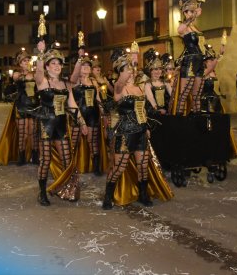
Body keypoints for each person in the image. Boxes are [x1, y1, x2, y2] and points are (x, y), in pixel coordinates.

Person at [102, 49, 173, 210]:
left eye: (132, 68)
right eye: (128, 69)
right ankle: (108, 195)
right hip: (125, 132)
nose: (132, 71)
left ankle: (143, 194)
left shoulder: (140, 88)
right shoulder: (119, 88)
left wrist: (146, 127)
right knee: (119, 167)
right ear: (120, 72)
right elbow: (120, 83)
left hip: (140, 131)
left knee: (143, 165)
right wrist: (123, 65)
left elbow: (142, 110)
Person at [35, 41, 87, 206]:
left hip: (61, 125)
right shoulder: (42, 81)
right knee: (45, 159)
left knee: (67, 158)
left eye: (59, 63)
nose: (57, 66)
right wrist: (41, 54)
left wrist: (82, 122)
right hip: (45, 124)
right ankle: (42, 193)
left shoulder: (65, 84)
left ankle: (67, 188)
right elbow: (37, 71)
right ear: (48, 66)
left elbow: (72, 105)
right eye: (53, 63)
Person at [0, 50, 40, 167]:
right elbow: (16, 79)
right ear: (20, 63)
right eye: (24, 61)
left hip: (34, 105)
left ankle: (35, 156)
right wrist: (25, 72)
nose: (27, 62)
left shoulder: (34, 74)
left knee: (33, 132)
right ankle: (21, 156)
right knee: (23, 133)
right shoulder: (17, 74)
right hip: (21, 105)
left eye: (28, 60)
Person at [169, 0, 206, 115]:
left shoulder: (195, 27)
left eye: (193, 10)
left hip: (199, 59)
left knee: (197, 94)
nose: (191, 13)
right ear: (184, 12)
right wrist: (193, 16)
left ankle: (197, 119)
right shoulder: (183, 26)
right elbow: (179, 30)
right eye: (189, 11)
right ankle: (179, 120)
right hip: (190, 60)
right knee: (184, 94)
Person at [69, 49, 105, 176]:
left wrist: (103, 113)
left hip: (93, 114)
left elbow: (98, 99)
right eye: (83, 65)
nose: (86, 67)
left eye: (88, 65)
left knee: (93, 140)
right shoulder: (74, 81)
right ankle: (70, 166)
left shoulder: (94, 81)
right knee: (74, 141)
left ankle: (95, 166)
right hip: (78, 114)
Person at [144, 51, 171, 116]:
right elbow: (151, 99)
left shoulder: (165, 82)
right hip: (154, 113)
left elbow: (172, 95)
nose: (159, 71)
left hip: (167, 110)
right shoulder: (148, 84)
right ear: (150, 71)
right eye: (156, 69)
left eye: (160, 69)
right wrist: (157, 110)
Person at [200, 44, 225, 113]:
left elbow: (219, 57)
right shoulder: (204, 72)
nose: (212, 61)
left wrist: (222, 46)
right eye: (210, 60)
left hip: (215, 99)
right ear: (205, 62)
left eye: (212, 59)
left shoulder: (213, 72)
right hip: (205, 100)